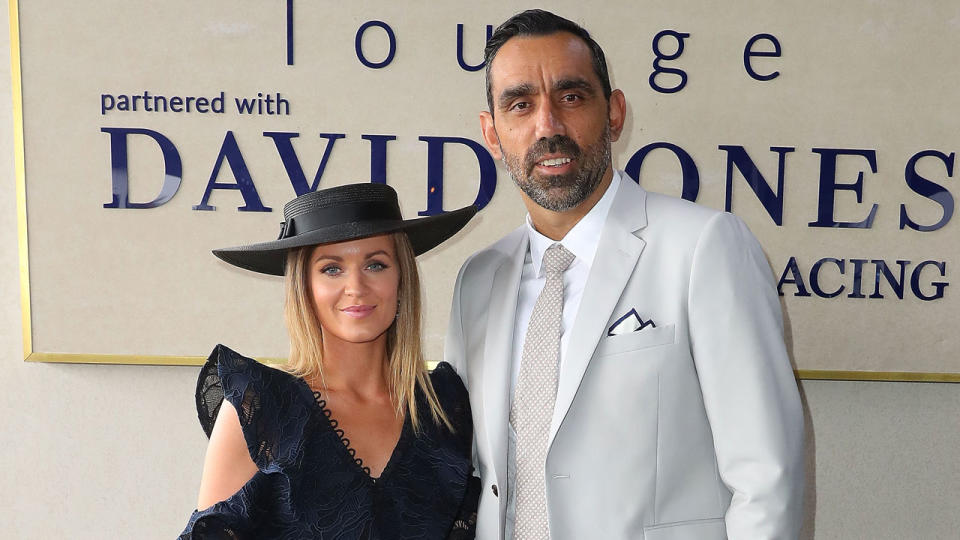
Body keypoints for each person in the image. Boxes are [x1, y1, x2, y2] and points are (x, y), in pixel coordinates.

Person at [445, 9, 805, 540]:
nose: (548, 125)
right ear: (491, 133)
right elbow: (469, 472)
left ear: (614, 113)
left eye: (571, 97)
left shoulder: (704, 247)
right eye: (520, 104)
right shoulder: (478, 280)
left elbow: (768, 478)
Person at [180, 183, 480, 539]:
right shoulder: (260, 409)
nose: (356, 286)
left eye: (375, 264)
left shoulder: (445, 407)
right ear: (304, 286)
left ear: (401, 279)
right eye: (332, 269)